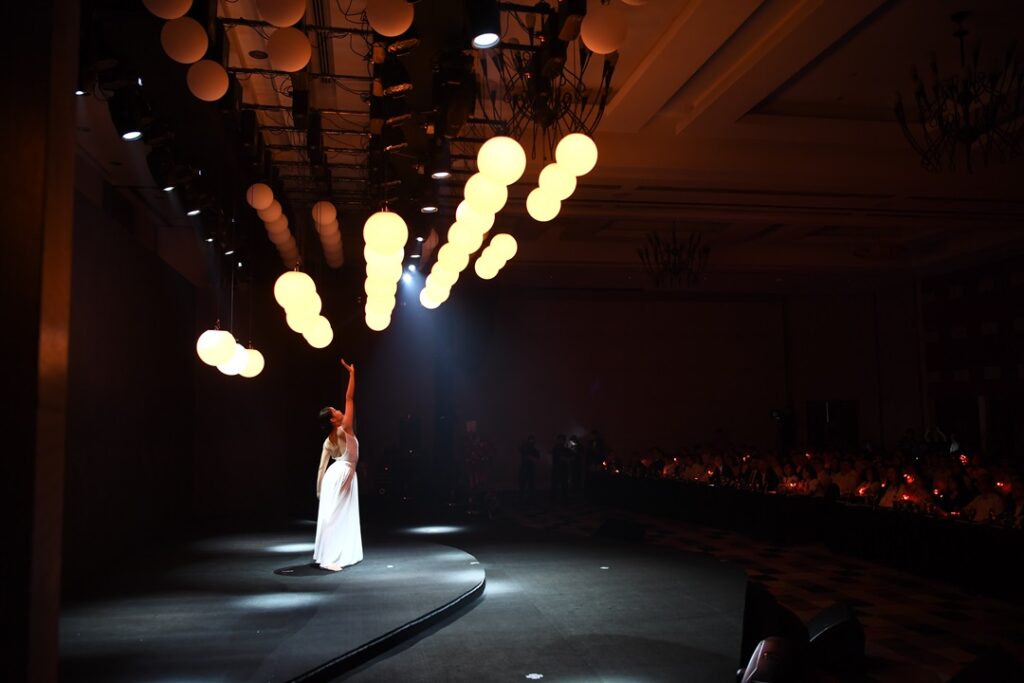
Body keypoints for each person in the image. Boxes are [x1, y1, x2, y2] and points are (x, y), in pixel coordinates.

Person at [313, 358, 362, 571]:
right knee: (337, 515)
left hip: (332, 476)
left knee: (333, 514)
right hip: (344, 474)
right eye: (335, 411)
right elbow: (349, 397)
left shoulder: (328, 440)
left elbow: (321, 467)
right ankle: (329, 558)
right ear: (333, 420)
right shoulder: (346, 427)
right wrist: (352, 374)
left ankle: (331, 553)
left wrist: (319, 491)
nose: (339, 410)